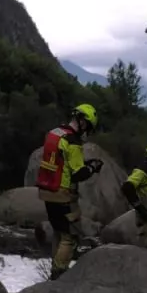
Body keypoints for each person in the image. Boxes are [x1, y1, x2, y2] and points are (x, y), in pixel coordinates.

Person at [35, 104, 103, 279]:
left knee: (59, 231)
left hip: (47, 191)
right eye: (88, 127)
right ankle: (58, 273)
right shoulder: (73, 141)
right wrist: (93, 167)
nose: (87, 131)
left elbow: (60, 161)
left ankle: (53, 268)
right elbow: (78, 173)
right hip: (63, 194)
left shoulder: (55, 133)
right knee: (70, 237)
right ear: (83, 121)